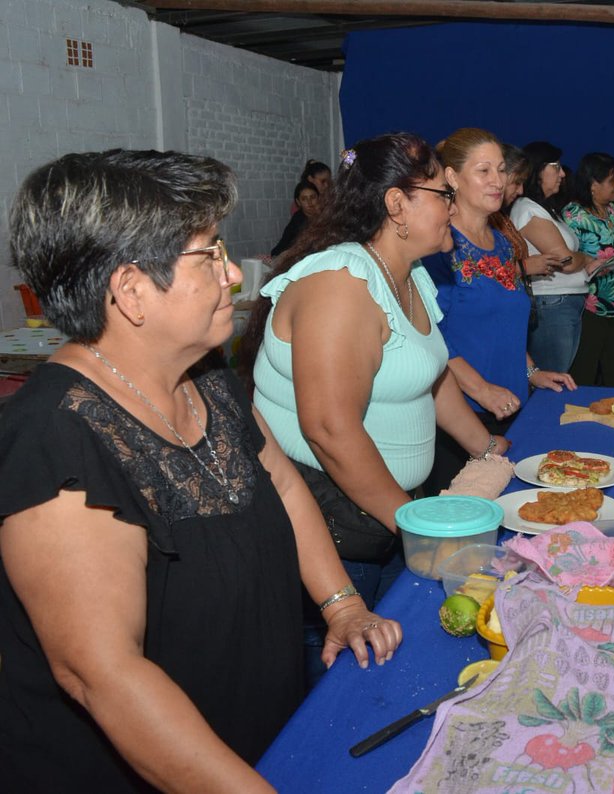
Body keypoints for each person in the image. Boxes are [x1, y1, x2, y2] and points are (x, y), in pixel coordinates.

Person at [0, 149, 400, 791]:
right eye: (208, 255)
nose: (232, 277)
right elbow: (103, 674)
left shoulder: (206, 378)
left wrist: (342, 603)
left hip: (254, 739)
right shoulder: (55, 437)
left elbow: (285, 486)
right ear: (131, 289)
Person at [243, 134, 507, 684]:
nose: (454, 209)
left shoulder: (407, 275)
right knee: (349, 684)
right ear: (396, 204)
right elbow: (330, 429)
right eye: (443, 194)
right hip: (333, 522)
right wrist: (416, 528)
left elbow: (432, 380)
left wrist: (489, 450)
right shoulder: (342, 283)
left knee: (402, 659)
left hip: (382, 516)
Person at [422, 128, 576, 494]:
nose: (498, 181)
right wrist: (482, 389)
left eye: (502, 170)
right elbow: (429, 336)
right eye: (484, 171)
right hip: (459, 420)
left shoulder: (502, 244)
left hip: (510, 408)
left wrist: (532, 371)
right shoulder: (437, 248)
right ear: (452, 177)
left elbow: (505, 320)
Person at [510, 141, 591, 374]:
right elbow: (564, 261)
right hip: (552, 303)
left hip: (564, 302)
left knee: (560, 374)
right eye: (556, 167)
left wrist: (584, 262)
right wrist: (584, 258)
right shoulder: (528, 209)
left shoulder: (546, 209)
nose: (562, 174)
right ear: (537, 171)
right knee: (552, 376)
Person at [563, 152, 614, 386]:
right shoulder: (573, 215)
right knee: (583, 376)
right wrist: (591, 264)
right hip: (589, 306)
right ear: (593, 184)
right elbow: (566, 259)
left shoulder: (613, 211)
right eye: (611, 180)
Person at [271, 180, 320, 257]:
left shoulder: (326, 215)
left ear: (319, 198)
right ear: (298, 202)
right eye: (304, 199)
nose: (309, 202)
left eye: (313, 197)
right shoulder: (298, 221)